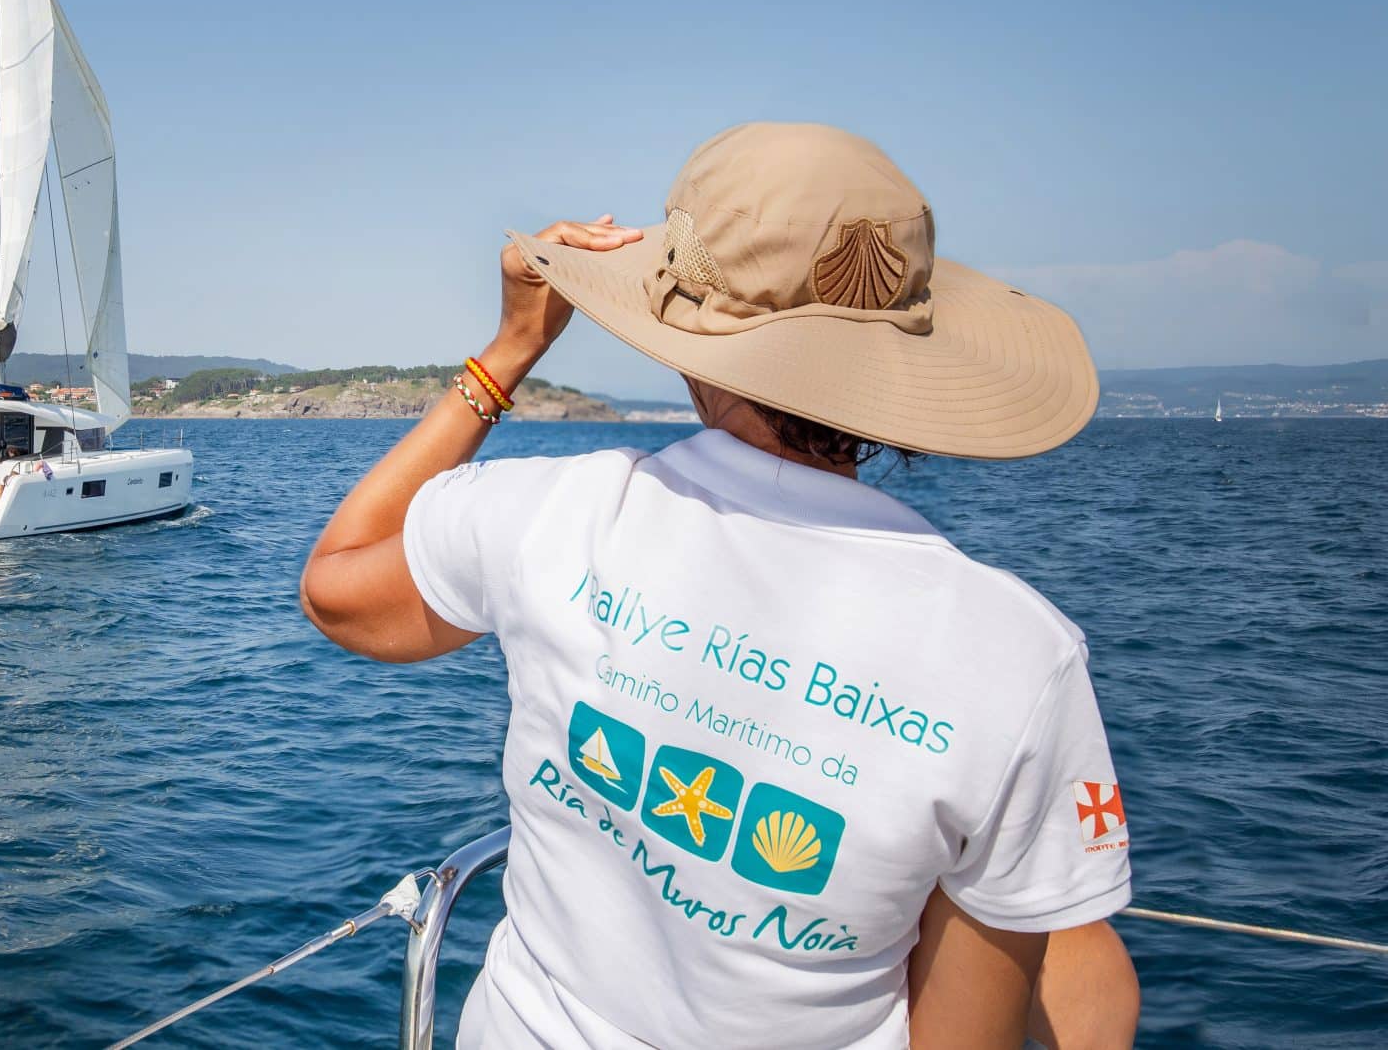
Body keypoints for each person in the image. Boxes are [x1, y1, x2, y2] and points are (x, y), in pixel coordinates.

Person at [301, 124, 1139, 1049]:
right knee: (1074, 944)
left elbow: (336, 587)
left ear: (694, 347)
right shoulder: (1016, 655)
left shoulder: (555, 511)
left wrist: (507, 351)